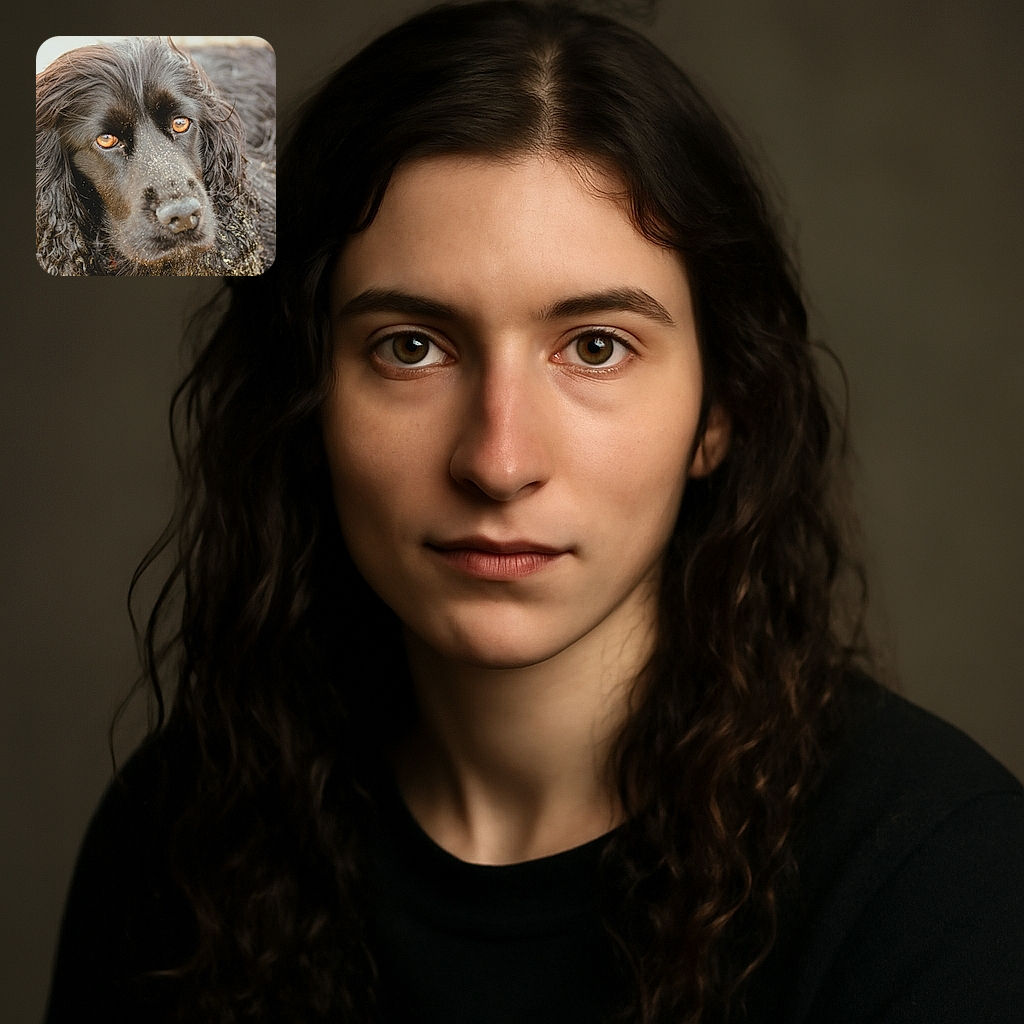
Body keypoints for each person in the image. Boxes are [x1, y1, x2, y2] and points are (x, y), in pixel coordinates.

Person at [45, 2, 1024, 1022]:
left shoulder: (939, 885)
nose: (499, 460)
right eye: (411, 346)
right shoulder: (175, 841)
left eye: (595, 346)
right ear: (306, 398)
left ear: (720, 409)